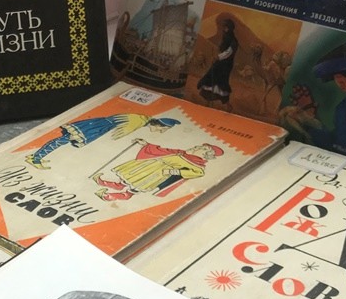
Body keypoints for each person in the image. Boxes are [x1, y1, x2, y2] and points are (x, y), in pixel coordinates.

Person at [25, 112, 180, 168]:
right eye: (162, 129)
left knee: (64, 140)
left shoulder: (143, 119)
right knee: (64, 140)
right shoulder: (138, 121)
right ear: (159, 124)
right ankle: (36, 158)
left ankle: (37, 156)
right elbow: (117, 136)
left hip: (100, 126)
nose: (161, 132)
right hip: (98, 127)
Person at [95, 141, 223, 200]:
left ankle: (109, 196)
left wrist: (173, 172)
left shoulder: (198, 165)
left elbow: (198, 173)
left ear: (206, 154)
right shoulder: (182, 152)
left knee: (135, 187)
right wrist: (146, 144)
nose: (196, 147)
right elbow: (164, 151)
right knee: (128, 179)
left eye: (201, 148)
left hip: (158, 173)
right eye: (198, 146)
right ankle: (106, 184)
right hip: (151, 166)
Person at [197, 18, 239, 103]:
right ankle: (209, 96)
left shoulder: (233, 40)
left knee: (221, 79)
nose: (224, 29)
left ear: (229, 28)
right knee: (212, 75)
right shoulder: (225, 37)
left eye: (226, 27)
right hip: (220, 62)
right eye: (224, 27)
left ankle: (221, 98)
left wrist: (218, 57)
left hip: (226, 64)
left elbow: (229, 52)